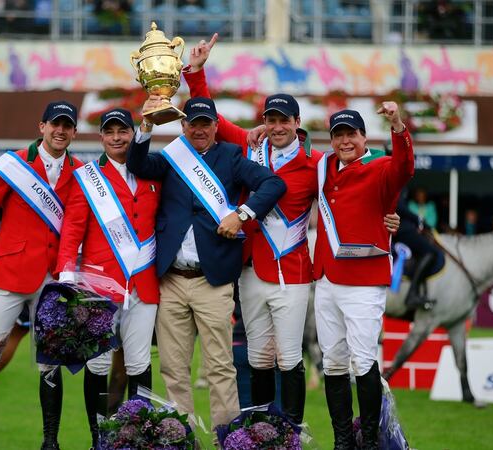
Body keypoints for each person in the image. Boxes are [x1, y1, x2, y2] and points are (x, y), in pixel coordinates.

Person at [182, 34, 400, 425]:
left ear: (297, 124)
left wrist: (390, 214)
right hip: (250, 271)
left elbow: (358, 187)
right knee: (258, 357)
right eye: (272, 119)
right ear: (264, 122)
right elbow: (213, 119)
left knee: (289, 357)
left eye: (284, 120)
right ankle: (264, 432)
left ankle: (292, 432)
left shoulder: (317, 162)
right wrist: (196, 73)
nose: (277, 126)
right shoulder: (250, 147)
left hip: (293, 272)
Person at [127, 95, 286, 429]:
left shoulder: (231, 155)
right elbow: (137, 165)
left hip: (212, 280)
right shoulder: (172, 156)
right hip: (171, 278)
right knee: (173, 367)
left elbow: (273, 183)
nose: (198, 130)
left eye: (205, 124)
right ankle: (180, 436)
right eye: (192, 123)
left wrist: (241, 214)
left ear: (216, 126)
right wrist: (145, 125)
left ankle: (224, 436)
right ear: (183, 125)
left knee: (219, 367)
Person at [0, 100, 81, 450]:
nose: (60, 130)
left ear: (74, 132)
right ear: (41, 126)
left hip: (53, 279)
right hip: (9, 274)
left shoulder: (80, 171)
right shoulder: (13, 165)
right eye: (54, 124)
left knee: (50, 363)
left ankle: (50, 441)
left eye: (67, 125)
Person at [56, 108, 161, 449]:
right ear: (101, 137)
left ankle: (136, 437)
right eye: (110, 132)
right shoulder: (86, 177)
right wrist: (67, 278)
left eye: (123, 131)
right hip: (98, 286)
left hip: (143, 284)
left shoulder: (152, 173)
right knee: (98, 364)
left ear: (134, 134)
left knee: (139, 362)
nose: (117, 138)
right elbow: (71, 231)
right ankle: (98, 437)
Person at [314, 103, 414, 450]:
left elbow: (404, 167)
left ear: (363, 137)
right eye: (338, 135)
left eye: (350, 134)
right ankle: (343, 441)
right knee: (333, 362)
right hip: (327, 279)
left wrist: (398, 125)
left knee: (363, 360)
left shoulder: (382, 166)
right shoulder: (323, 167)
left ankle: (369, 442)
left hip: (364, 283)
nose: (344, 141)